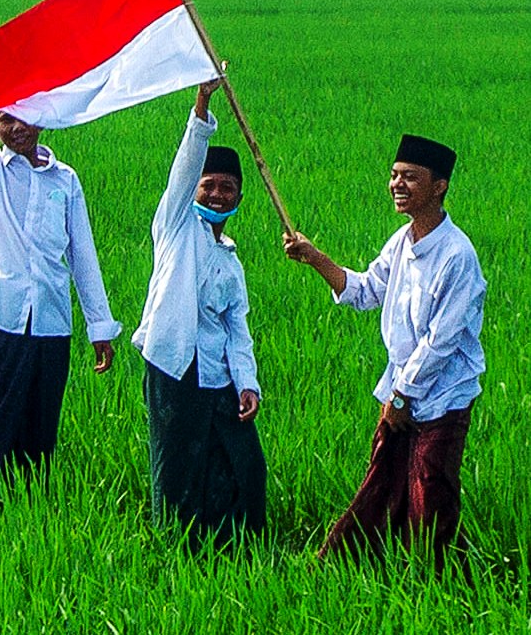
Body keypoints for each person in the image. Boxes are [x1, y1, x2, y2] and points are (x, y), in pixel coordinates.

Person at [285, 134, 486, 567]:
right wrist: (315, 257)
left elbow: (441, 342)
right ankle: (347, 563)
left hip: (442, 395)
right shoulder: (402, 242)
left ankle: (437, 581)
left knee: (431, 491)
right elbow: (364, 290)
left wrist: (400, 396)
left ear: (439, 186)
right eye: (394, 175)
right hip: (403, 391)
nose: (397, 184)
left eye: (410, 177)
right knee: (383, 481)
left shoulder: (457, 256)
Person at [0, 1, 119, 496]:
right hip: (1, 315)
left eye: (24, 116)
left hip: (51, 318)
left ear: (41, 117)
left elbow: (83, 258)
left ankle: (29, 505)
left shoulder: (65, 181)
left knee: (42, 425)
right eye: (4, 118)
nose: (15, 126)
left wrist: (99, 327)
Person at [132, 79, 265, 540]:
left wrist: (247, 382)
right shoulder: (174, 225)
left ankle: (231, 542)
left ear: (239, 198)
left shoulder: (230, 258)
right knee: (176, 465)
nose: (216, 195)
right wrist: (203, 104)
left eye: (227, 188)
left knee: (240, 461)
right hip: (173, 366)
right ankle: (174, 544)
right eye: (208, 186)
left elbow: (237, 328)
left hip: (218, 375)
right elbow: (185, 167)